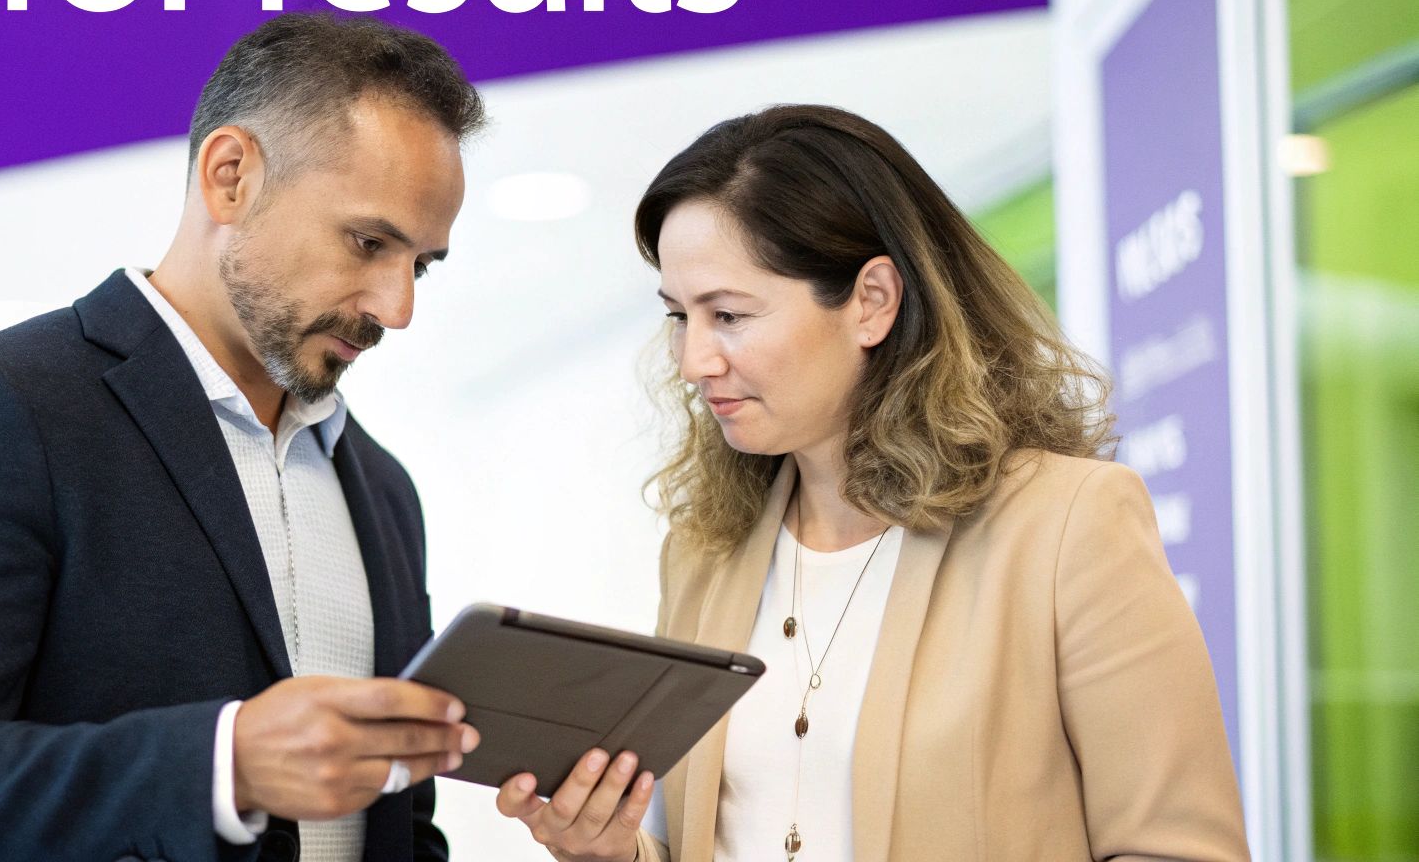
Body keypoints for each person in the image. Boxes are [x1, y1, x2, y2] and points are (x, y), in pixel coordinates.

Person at [494, 105, 1248, 861]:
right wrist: (617, 855)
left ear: (873, 301)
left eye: (728, 314)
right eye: (678, 317)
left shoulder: (1068, 523)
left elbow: (1178, 850)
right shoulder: (702, 553)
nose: (694, 362)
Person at [0, 13, 488, 862]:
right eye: (368, 242)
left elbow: (393, 826)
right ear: (230, 175)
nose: (397, 308)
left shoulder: (385, 490)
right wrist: (224, 765)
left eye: (420, 264)